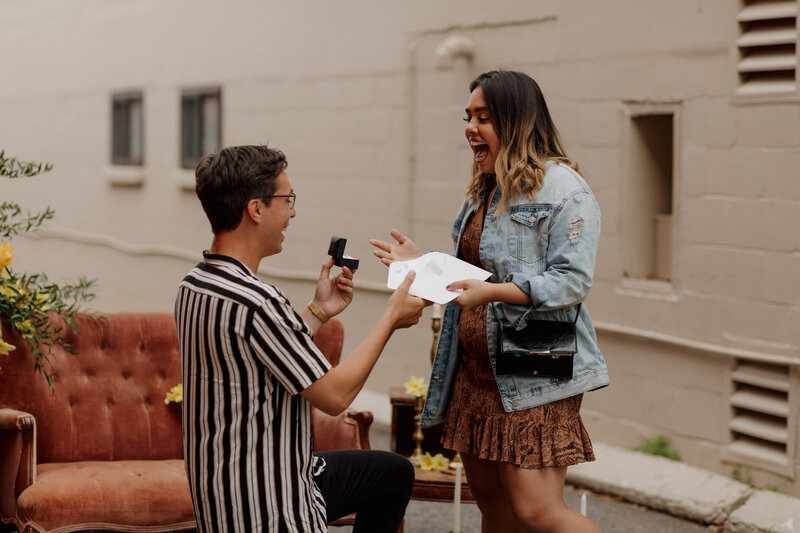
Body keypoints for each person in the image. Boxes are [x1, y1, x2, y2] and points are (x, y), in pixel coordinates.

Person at [370, 70, 609, 533]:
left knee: (536, 511)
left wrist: (495, 293)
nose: (470, 128)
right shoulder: (486, 189)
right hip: (475, 374)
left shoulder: (565, 190)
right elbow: (475, 275)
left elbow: (571, 282)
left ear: (515, 121)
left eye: (483, 118)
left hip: (532, 369)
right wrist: (424, 264)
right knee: (495, 511)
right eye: (468, 117)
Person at [175, 144, 426, 533]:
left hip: (223, 493)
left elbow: (260, 350)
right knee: (393, 474)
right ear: (256, 210)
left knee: (391, 473)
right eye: (286, 199)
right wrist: (391, 317)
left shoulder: (196, 284)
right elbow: (334, 396)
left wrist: (318, 311)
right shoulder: (257, 300)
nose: (293, 211)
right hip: (268, 507)